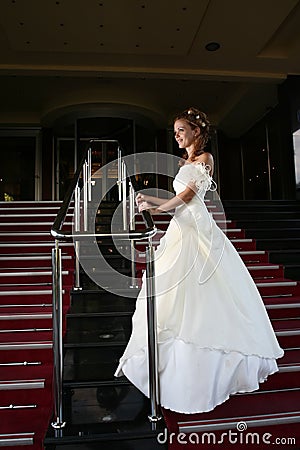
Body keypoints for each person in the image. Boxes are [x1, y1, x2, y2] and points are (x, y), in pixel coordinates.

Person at [114, 107, 284, 414]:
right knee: (173, 293)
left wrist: (156, 210)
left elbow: (189, 197)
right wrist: (149, 199)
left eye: (181, 129)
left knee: (201, 293)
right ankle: (176, 366)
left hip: (197, 229)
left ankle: (212, 361)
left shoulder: (205, 159)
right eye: (175, 131)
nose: (177, 135)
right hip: (181, 228)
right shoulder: (183, 162)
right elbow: (176, 198)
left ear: (196, 132)